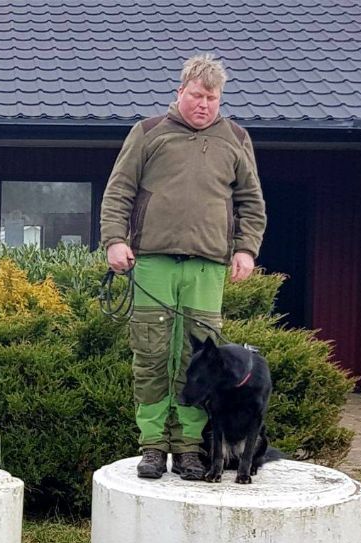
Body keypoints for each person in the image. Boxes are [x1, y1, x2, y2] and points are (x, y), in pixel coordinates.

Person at [99, 54, 267, 480]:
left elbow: (251, 202)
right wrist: (115, 241)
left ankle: (191, 449)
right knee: (152, 355)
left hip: (208, 267)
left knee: (200, 361)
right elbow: (118, 191)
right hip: (151, 262)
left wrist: (245, 249)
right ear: (180, 92)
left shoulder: (236, 138)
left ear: (219, 99)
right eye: (196, 95)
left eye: (211, 98)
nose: (203, 104)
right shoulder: (148, 133)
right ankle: (153, 446)